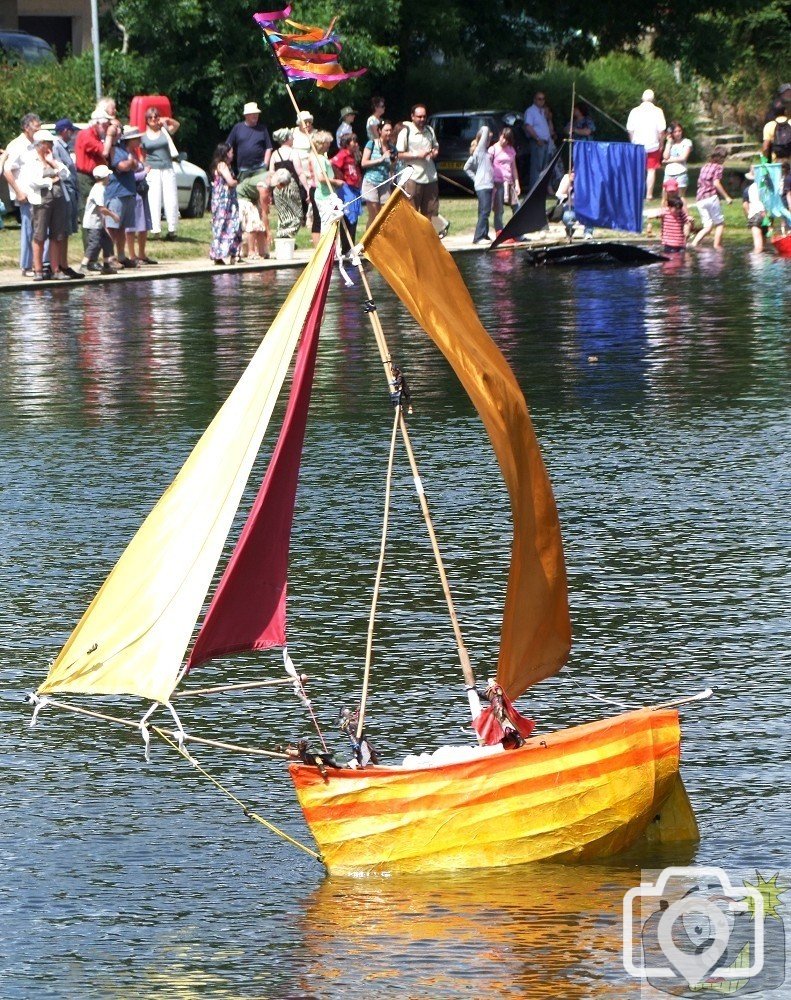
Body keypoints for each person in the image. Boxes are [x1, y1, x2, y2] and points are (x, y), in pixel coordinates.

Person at [20, 129, 84, 281]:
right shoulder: (31, 159)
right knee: (40, 235)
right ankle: (38, 270)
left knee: (57, 235)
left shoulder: (52, 158)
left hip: (58, 197)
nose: (51, 145)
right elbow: (32, 181)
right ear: (40, 144)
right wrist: (51, 180)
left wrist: (53, 162)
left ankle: (56, 270)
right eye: (48, 143)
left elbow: (65, 173)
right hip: (41, 200)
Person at [3, 112, 42, 276]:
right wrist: (18, 192)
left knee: (38, 229)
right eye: (36, 125)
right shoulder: (17, 145)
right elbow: (7, 170)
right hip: (25, 194)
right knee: (28, 230)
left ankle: (38, 263)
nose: (39, 128)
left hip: (39, 193)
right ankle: (26, 266)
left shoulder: (36, 143)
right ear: (26, 128)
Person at [395, 104, 441, 225]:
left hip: (430, 176)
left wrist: (435, 152)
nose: (422, 119)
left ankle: (428, 241)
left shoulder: (430, 130)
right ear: (412, 117)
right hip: (413, 178)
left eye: (424, 116)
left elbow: (436, 146)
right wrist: (417, 155)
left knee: (431, 213)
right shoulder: (406, 132)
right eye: (419, 116)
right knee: (412, 213)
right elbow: (399, 155)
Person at [141, 106, 180, 241]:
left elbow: (176, 125)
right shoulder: (143, 137)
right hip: (153, 169)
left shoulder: (165, 131)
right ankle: (156, 230)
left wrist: (166, 119)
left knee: (171, 199)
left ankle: (172, 229)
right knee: (154, 199)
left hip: (168, 167)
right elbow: (142, 155)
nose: (153, 119)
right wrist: (144, 167)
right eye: (150, 117)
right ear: (146, 120)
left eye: (156, 116)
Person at [103, 121, 139, 267]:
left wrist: (130, 163)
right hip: (116, 193)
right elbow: (122, 166)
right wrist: (130, 163)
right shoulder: (112, 149)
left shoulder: (123, 148)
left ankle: (122, 256)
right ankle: (109, 258)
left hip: (128, 192)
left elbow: (136, 164)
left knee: (122, 227)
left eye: (121, 127)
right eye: (117, 127)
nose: (120, 130)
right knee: (112, 227)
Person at [74, 109, 110, 249]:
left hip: (96, 178)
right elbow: (104, 151)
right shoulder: (86, 135)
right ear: (97, 123)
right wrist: (110, 135)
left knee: (97, 216)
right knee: (88, 215)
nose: (107, 128)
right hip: (85, 178)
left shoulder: (95, 135)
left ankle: (97, 254)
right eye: (105, 125)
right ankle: (89, 256)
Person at [626, 89, 667, 200]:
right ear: (653, 99)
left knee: (637, 169)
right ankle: (649, 194)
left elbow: (630, 130)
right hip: (653, 144)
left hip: (637, 145)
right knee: (651, 169)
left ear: (642, 99)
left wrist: (632, 142)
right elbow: (661, 131)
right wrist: (661, 144)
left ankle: (636, 193)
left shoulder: (634, 111)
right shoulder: (658, 111)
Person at [690, 146, 732, 249]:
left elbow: (699, 182)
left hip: (700, 199)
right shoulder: (718, 167)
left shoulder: (704, 166)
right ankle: (717, 246)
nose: (724, 161)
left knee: (707, 227)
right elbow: (716, 183)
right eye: (723, 158)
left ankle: (693, 244)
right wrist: (727, 197)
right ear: (720, 158)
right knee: (719, 224)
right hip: (711, 198)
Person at [126, 133, 157, 266]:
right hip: (134, 193)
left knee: (144, 224)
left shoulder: (135, 153)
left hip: (141, 193)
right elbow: (130, 177)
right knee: (132, 226)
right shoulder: (127, 155)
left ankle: (142, 254)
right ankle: (132, 255)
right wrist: (144, 172)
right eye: (137, 139)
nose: (139, 141)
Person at [81, 164, 119, 274]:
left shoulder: (100, 188)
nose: (109, 178)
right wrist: (113, 216)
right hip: (92, 223)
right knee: (94, 244)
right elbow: (102, 209)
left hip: (98, 223)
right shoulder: (98, 190)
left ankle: (106, 266)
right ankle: (84, 265)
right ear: (105, 177)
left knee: (107, 242)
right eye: (108, 176)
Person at [209, 143, 241, 264]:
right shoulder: (222, 165)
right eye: (231, 152)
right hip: (224, 200)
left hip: (225, 199)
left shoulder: (224, 165)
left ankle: (229, 253)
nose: (233, 154)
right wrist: (236, 182)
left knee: (226, 225)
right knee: (229, 224)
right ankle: (221, 254)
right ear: (225, 153)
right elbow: (230, 181)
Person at [269, 127, 310, 222]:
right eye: (292, 137)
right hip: (292, 188)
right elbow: (300, 173)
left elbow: (271, 173)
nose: (293, 139)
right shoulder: (293, 153)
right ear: (287, 139)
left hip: (279, 188)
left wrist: (270, 192)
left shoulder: (274, 154)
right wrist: (307, 189)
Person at [331, 132, 364, 248]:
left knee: (354, 216)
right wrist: (339, 176)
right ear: (347, 143)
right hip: (347, 189)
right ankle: (346, 246)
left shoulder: (353, 155)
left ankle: (351, 245)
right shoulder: (342, 154)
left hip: (355, 189)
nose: (356, 144)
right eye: (353, 142)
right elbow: (333, 163)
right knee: (348, 216)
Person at [225, 101, 273, 178]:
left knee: (261, 189)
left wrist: (265, 164)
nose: (255, 116)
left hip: (260, 168)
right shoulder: (238, 128)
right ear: (246, 115)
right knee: (242, 189)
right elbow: (228, 145)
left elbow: (268, 148)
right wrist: (227, 161)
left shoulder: (262, 129)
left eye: (256, 114)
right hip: (243, 169)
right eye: (252, 114)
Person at [361, 120, 395, 226]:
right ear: (380, 131)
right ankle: (368, 242)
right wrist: (381, 159)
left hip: (384, 184)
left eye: (390, 130)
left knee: (386, 215)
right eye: (386, 130)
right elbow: (364, 163)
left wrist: (393, 166)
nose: (389, 133)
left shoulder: (392, 148)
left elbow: (392, 167)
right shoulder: (371, 143)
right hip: (371, 182)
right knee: (374, 216)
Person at [464, 125, 494, 243]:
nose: (489, 141)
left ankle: (485, 234)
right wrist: (476, 179)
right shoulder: (480, 151)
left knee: (485, 210)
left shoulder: (485, 152)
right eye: (487, 139)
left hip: (488, 185)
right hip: (483, 185)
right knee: (484, 211)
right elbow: (486, 128)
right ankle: (478, 237)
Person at [309, 130, 342, 236]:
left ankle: (335, 248)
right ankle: (328, 249)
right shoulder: (321, 160)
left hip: (329, 194)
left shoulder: (322, 158)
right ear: (321, 144)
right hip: (324, 195)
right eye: (327, 143)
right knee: (327, 222)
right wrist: (336, 182)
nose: (329, 145)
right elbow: (321, 177)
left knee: (333, 220)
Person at [522, 91, 556, 191]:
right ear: (535, 100)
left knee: (544, 168)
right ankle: (534, 190)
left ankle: (542, 189)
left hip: (546, 142)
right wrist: (537, 138)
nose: (541, 101)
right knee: (536, 168)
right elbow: (528, 126)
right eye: (539, 99)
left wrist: (549, 118)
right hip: (537, 142)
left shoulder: (543, 112)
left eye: (543, 99)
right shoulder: (531, 111)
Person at [489, 126, 520, 233]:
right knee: (499, 210)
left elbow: (514, 167)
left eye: (507, 139)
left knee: (516, 207)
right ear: (500, 135)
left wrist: (517, 183)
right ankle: (499, 232)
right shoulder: (493, 149)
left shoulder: (511, 150)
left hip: (509, 182)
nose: (504, 141)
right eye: (503, 137)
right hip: (497, 182)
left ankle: (517, 232)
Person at [52, 119, 79, 237]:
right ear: (65, 131)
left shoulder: (64, 147)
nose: (73, 134)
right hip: (65, 190)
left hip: (70, 189)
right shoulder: (56, 146)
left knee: (68, 228)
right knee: (63, 228)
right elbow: (60, 169)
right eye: (71, 131)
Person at [269, 166, 303, 239]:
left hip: (288, 184)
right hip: (280, 183)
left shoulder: (289, 184)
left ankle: (285, 236)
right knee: (283, 215)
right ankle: (283, 236)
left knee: (296, 215)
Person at [662, 122, 693, 194]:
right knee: (666, 196)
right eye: (675, 132)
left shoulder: (687, 142)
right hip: (669, 173)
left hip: (681, 172)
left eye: (679, 131)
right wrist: (668, 143)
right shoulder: (670, 143)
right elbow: (665, 156)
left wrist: (668, 161)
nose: (678, 133)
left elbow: (683, 158)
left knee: (680, 196)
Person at [742, 167, 767, 253]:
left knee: (758, 247)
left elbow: (745, 205)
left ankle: (757, 265)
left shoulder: (748, 189)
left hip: (755, 215)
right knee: (764, 246)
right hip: (765, 215)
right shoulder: (766, 187)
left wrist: (749, 216)